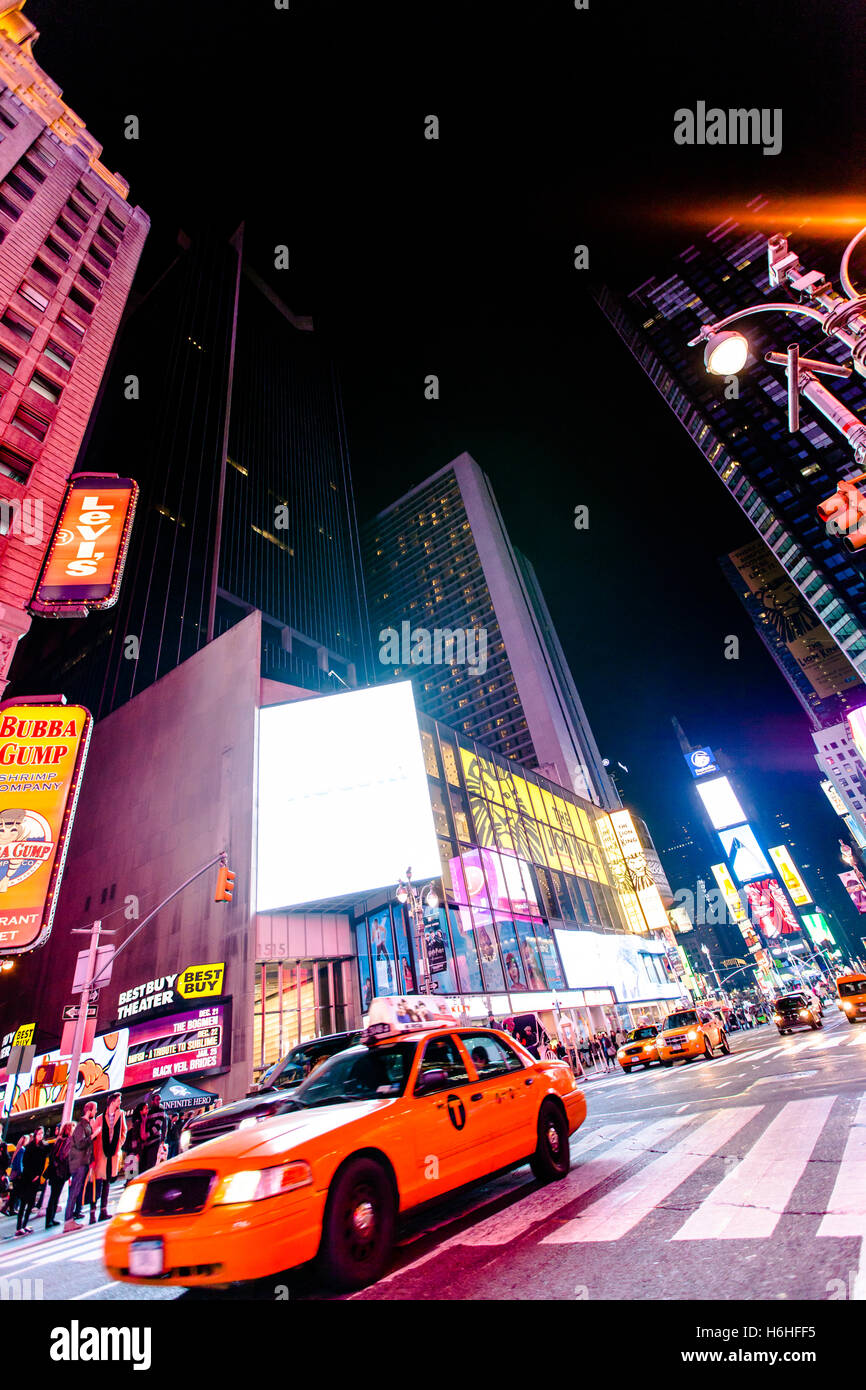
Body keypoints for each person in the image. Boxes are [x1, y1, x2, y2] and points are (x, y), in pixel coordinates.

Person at [92, 1092, 127, 1223]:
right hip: (102, 1153)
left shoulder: (121, 1114)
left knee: (107, 1183)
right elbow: (94, 1135)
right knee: (99, 1182)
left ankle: (103, 1210)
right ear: (112, 1102)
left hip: (113, 1152)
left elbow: (124, 1131)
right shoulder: (101, 1118)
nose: (120, 1103)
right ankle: (93, 1210)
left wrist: (119, 1144)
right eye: (118, 1100)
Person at [64, 1101, 98, 1233]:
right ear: (89, 1110)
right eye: (94, 1110)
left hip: (82, 1162)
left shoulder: (85, 1125)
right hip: (78, 1163)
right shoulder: (81, 1126)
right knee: (74, 1191)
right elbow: (80, 1143)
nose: (95, 1112)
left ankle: (70, 1219)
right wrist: (94, 1135)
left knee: (76, 1191)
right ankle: (68, 1220)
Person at [15, 1126, 48, 1236]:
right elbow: (26, 1162)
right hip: (27, 1177)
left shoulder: (43, 1146)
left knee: (31, 1203)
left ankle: (24, 1225)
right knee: (24, 1202)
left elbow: (43, 1163)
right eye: (39, 1133)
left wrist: (38, 1175)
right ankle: (19, 1227)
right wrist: (32, 1175)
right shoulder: (30, 1147)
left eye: (42, 1133)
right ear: (35, 1134)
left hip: (36, 1178)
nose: (40, 1135)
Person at [44, 1122, 72, 1229]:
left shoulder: (59, 1140)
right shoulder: (68, 1141)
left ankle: (50, 1219)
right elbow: (64, 1156)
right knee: (55, 1196)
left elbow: (53, 1156)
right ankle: (50, 1220)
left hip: (54, 1171)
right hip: (60, 1172)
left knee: (54, 1196)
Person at [140, 1093, 167, 1171]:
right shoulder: (149, 1110)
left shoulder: (161, 1109)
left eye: (159, 1100)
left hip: (155, 1140)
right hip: (147, 1141)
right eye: (157, 1100)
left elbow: (158, 1126)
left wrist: (146, 1135)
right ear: (152, 1101)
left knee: (151, 1163)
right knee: (146, 1163)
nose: (159, 1101)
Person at [7, 1134, 29, 1216]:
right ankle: (14, 1208)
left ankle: (11, 1208)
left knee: (14, 1192)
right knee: (17, 1192)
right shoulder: (22, 1150)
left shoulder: (17, 1149)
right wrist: (20, 1173)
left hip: (14, 1173)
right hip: (18, 1174)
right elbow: (19, 1162)